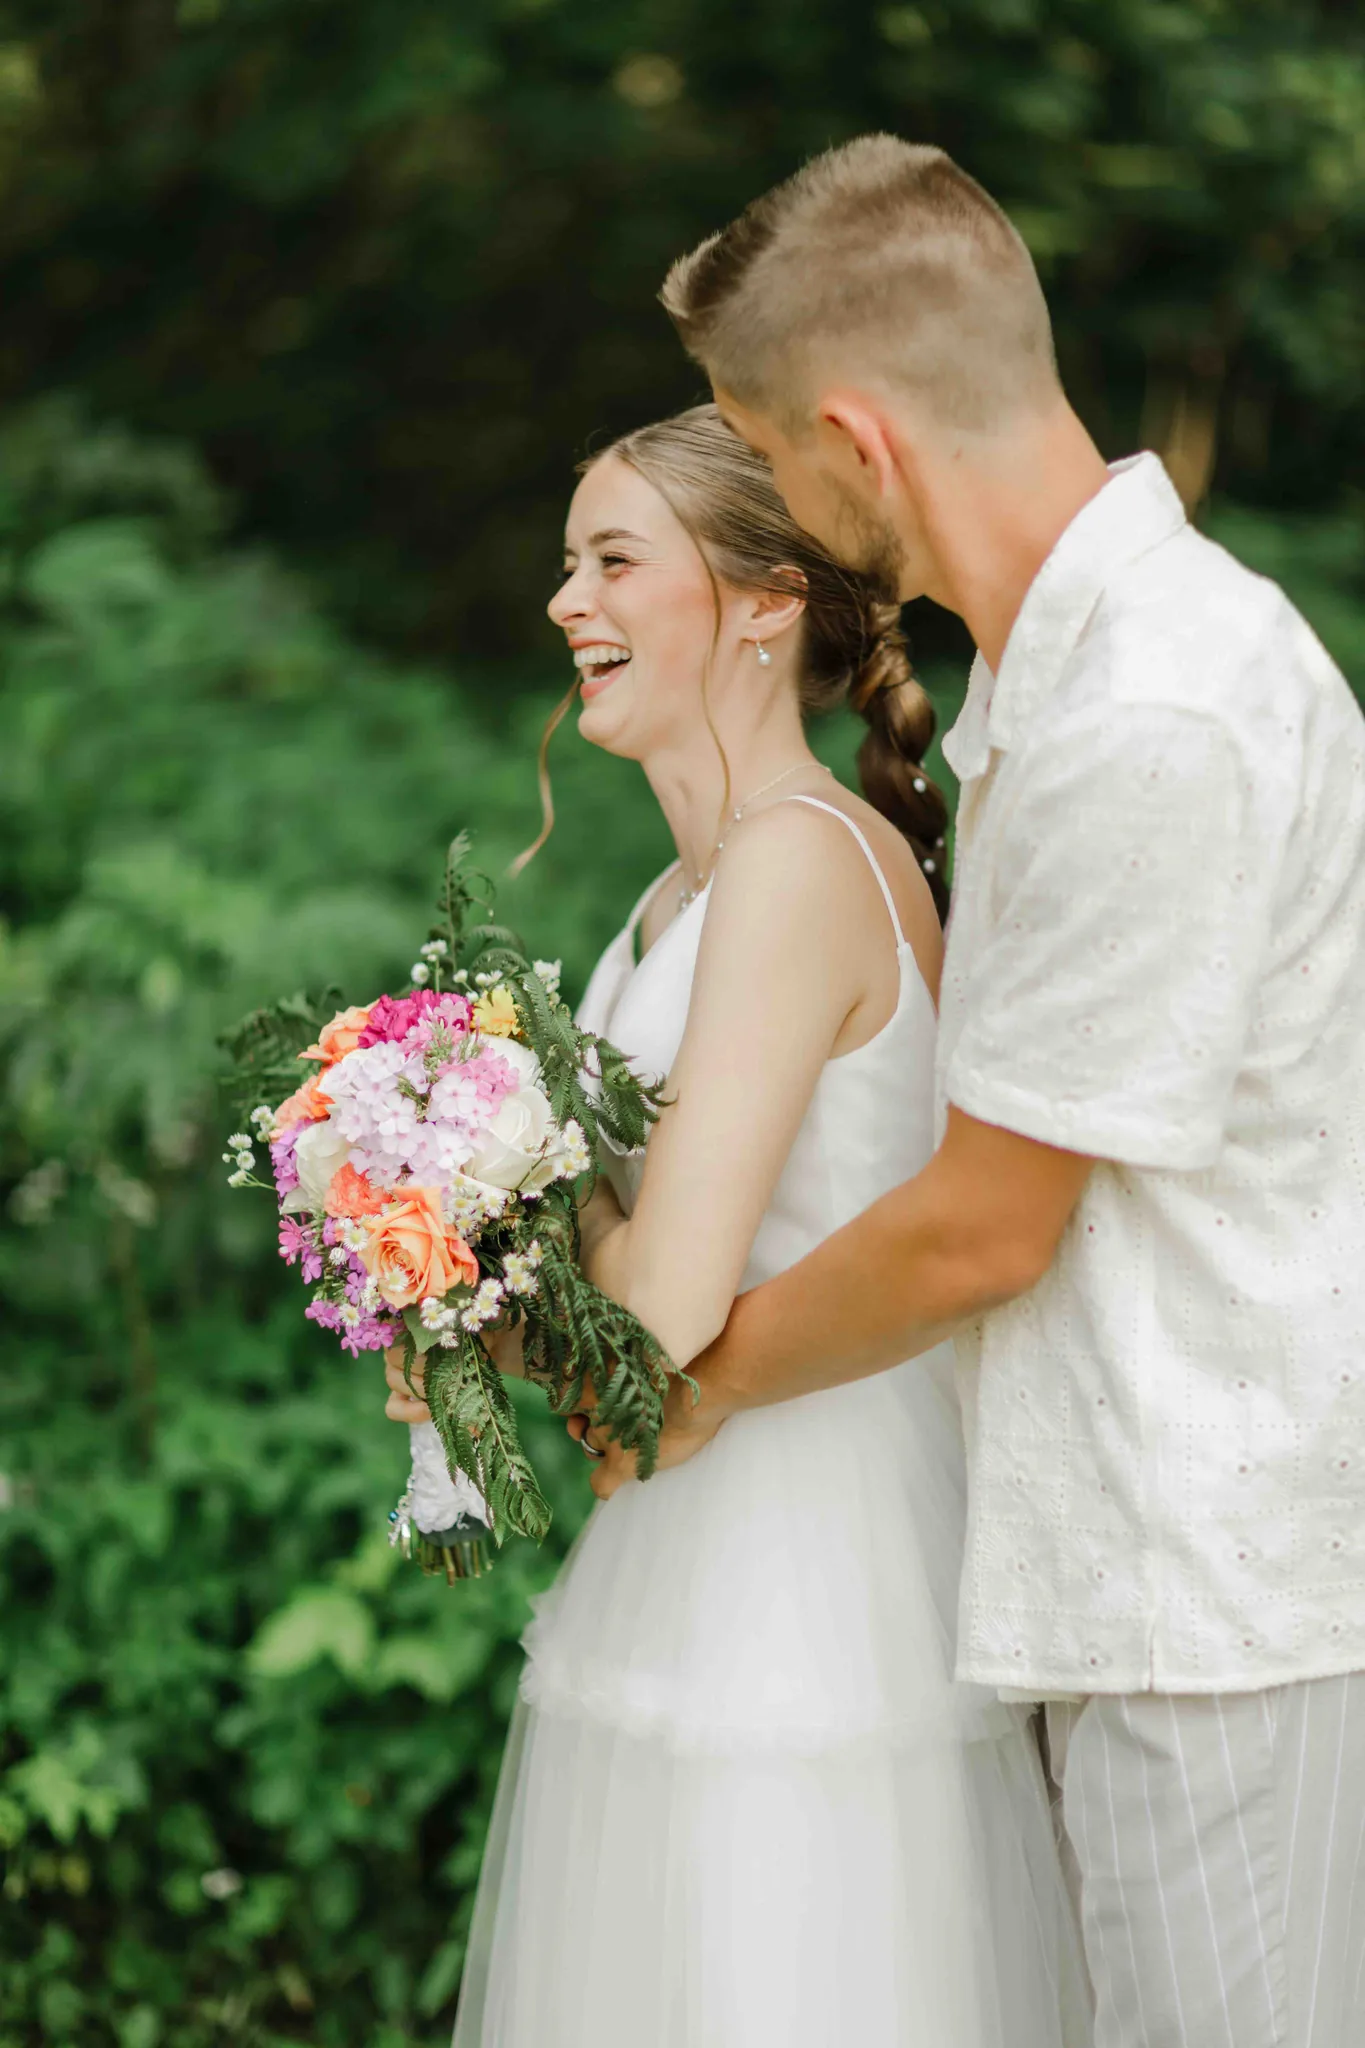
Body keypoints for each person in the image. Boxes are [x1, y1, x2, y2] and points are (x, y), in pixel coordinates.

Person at [581, 136, 1365, 2048]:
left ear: (854, 436)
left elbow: (988, 1225)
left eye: (760, 451)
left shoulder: (1152, 712)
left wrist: (684, 1384)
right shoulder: (1057, 685)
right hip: (1112, 1589)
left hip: (1216, 1621)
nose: (766, 497)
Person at [386, 404, 1090, 2045]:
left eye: (615, 559)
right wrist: (435, 1261)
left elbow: (657, 1313)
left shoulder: (791, 865)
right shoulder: (680, 897)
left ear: (768, 603)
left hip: (803, 1580)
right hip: (703, 1542)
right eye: (567, 563)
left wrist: (486, 1221)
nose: (568, 600)